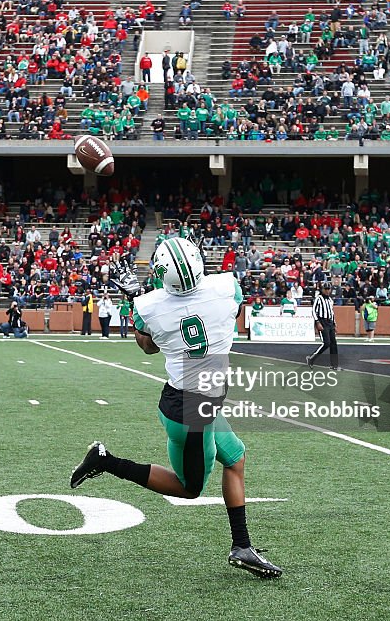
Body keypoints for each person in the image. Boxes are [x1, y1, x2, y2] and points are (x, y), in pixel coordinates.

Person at [69, 238, 282, 579]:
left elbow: (148, 347)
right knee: (189, 489)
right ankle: (105, 461)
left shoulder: (149, 306)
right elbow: (228, 312)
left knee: (236, 457)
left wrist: (135, 298)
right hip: (194, 412)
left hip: (184, 402)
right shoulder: (226, 287)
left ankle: (241, 545)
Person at [306, 283, 339, 370]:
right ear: (322, 289)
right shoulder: (319, 298)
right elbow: (313, 310)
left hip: (330, 322)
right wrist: (317, 322)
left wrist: (334, 323)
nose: (327, 291)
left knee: (333, 344)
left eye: (329, 289)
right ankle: (312, 359)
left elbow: (332, 312)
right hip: (322, 321)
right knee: (326, 343)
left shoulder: (330, 300)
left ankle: (334, 365)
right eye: (326, 289)